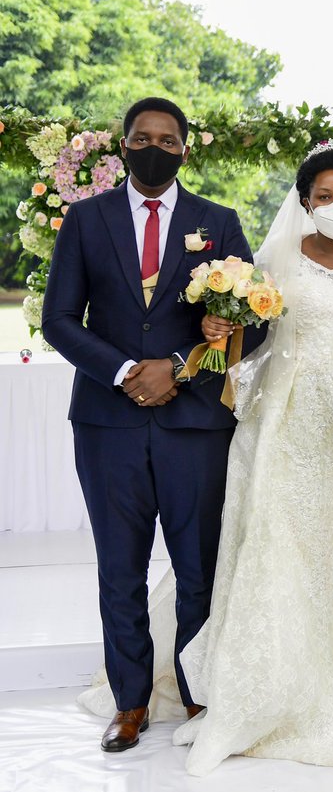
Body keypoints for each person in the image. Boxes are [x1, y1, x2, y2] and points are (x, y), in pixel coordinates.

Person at [115, 142, 333, 774]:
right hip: (294, 417)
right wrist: (221, 334)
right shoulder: (275, 262)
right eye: (323, 197)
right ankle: (272, 682)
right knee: (292, 543)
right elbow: (248, 350)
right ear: (305, 201)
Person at [41, 97, 266, 752]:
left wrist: (179, 365)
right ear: (123, 146)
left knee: (198, 569)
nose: (155, 147)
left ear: (186, 150)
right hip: (106, 424)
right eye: (143, 137)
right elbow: (59, 318)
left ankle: (200, 702)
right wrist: (123, 372)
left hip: (195, 424)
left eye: (169, 140)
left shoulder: (216, 222)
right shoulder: (85, 220)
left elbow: (255, 320)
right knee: (120, 568)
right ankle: (131, 702)